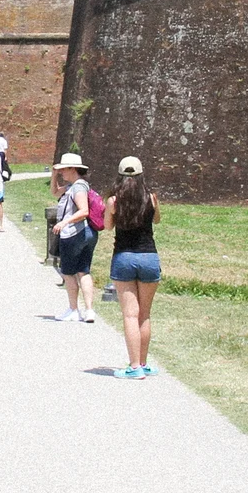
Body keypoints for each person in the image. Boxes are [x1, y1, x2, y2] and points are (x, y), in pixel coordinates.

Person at [107, 155, 161, 377]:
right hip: (149, 255)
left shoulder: (113, 201)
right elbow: (157, 220)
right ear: (141, 175)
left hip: (124, 256)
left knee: (130, 314)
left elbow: (108, 226)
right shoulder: (151, 198)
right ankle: (144, 362)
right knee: (144, 314)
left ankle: (134, 366)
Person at [49, 152, 102, 322]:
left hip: (75, 233)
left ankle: (73, 309)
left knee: (69, 272)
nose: (62, 172)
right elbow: (55, 192)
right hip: (88, 233)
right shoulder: (75, 186)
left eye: (64, 169)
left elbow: (83, 210)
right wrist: (54, 175)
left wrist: (64, 222)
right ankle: (89, 310)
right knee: (83, 271)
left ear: (73, 169)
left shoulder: (78, 187)